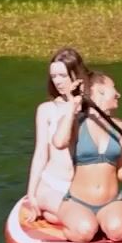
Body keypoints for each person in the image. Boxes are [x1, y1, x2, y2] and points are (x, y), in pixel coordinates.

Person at [53, 71, 122, 243]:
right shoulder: (75, 122)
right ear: (99, 90)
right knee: (84, 232)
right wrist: (71, 106)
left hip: (112, 202)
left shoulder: (119, 127)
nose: (118, 94)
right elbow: (59, 142)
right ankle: (78, 225)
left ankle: (113, 224)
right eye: (114, 88)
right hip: (78, 202)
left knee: (118, 232)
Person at [28, 47, 90, 222]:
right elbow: (40, 153)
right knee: (79, 219)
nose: (58, 81)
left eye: (63, 75)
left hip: (81, 187)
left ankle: (53, 215)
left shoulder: (91, 110)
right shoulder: (46, 110)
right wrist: (31, 194)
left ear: (76, 75)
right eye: (54, 76)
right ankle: (49, 207)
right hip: (52, 184)